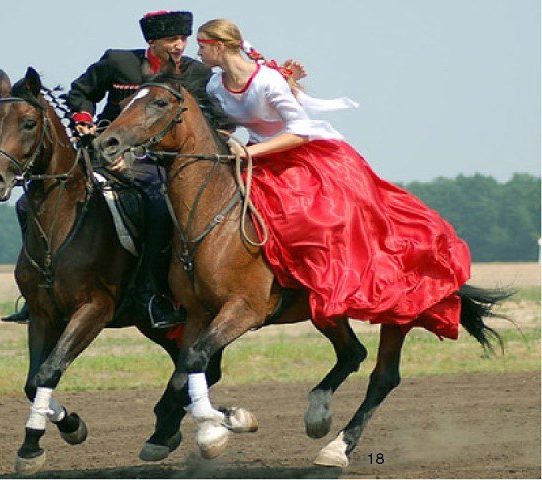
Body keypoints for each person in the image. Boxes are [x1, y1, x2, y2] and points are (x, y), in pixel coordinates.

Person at [195, 19, 471, 340]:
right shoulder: (215, 85)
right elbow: (224, 124)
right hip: (255, 157)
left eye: (201, 46)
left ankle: (322, 287)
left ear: (219, 46)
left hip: (302, 157)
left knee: (311, 221)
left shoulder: (268, 81)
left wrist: (250, 153)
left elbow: (299, 132)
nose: (198, 53)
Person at [3, 10, 216, 326]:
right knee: (25, 204)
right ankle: (35, 288)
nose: (180, 46)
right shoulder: (118, 62)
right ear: (153, 41)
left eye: (184, 39)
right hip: (100, 153)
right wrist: (84, 121)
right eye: (173, 39)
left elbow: (204, 121)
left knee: (159, 209)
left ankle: (150, 293)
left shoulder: (195, 74)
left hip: (154, 162)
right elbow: (81, 93)